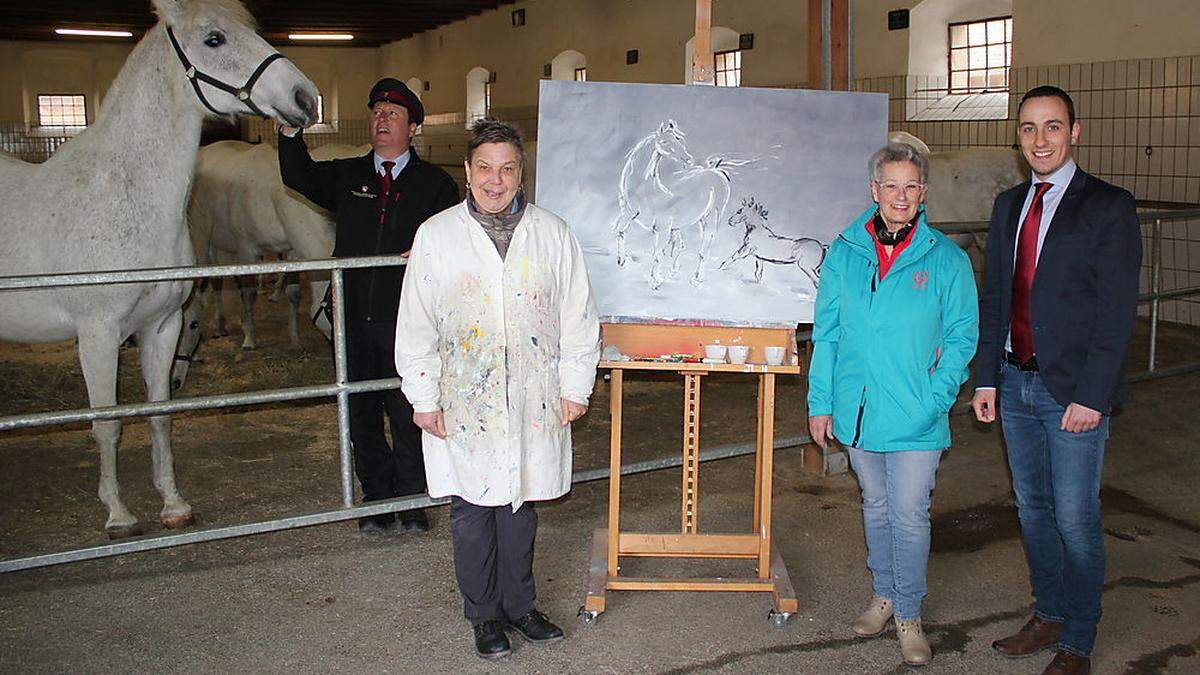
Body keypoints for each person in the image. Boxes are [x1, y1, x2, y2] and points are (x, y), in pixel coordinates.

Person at [394, 118, 600, 660]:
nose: (495, 179)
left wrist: (575, 386)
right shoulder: (436, 236)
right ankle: (483, 616)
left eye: (507, 168)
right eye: (484, 167)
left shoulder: (552, 233)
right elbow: (415, 323)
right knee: (470, 510)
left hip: (533, 392)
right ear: (466, 170)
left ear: (520, 172)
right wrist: (424, 397)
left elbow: (578, 315)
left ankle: (521, 608)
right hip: (465, 394)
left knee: (520, 505)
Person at [973, 86, 1142, 675]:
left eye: (1052, 127)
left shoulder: (1108, 206)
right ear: (1017, 137)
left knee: (1074, 515)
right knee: (1032, 509)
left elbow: (1117, 310)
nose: (1040, 139)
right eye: (1028, 129)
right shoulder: (1009, 204)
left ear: (1075, 132)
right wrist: (986, 379)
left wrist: (1092, 395)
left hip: (1071, 391)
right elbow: (996, 296)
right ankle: (1048, 614)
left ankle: (1079, 639)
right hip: (1014, 384)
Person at [807, 142, 978, 667]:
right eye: (890, 185)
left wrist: (936, 396)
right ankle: (882, 595)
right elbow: (828, 332)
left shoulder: (945, 259)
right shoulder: (845, 252)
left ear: (923, 193)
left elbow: (962, 337)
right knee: (876, 508)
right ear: (873, 190)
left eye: (911, 186)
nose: (900, 196)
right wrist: (821, 400)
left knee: (908, 515)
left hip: (917, 413)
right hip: (858, 409)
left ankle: (909, 615)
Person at [278, 78, 459, 535]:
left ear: (413, 127)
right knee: (361, 409)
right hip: (355, 316)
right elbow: (298, 176)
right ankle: (376, 498)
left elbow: (456, 240)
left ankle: (412, 497)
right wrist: (288, 134)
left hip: (410, 321)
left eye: (393, 113)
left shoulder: (436, 184)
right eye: (377, 111)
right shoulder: (347, 175)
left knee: (408, 408)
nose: (382, 118)